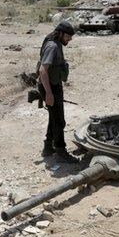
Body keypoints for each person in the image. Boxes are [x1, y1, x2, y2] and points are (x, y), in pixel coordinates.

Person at [37, 21, 79, 163]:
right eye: (68, 36)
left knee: (54, 118)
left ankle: (48, 147)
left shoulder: (56, 42)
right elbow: (43, 70)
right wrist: (49, 93)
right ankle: (60, 150)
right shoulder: (52, 46)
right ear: (60, 33)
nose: (70, 39)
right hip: (50, 87)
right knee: (59, 120)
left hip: (53, 85)